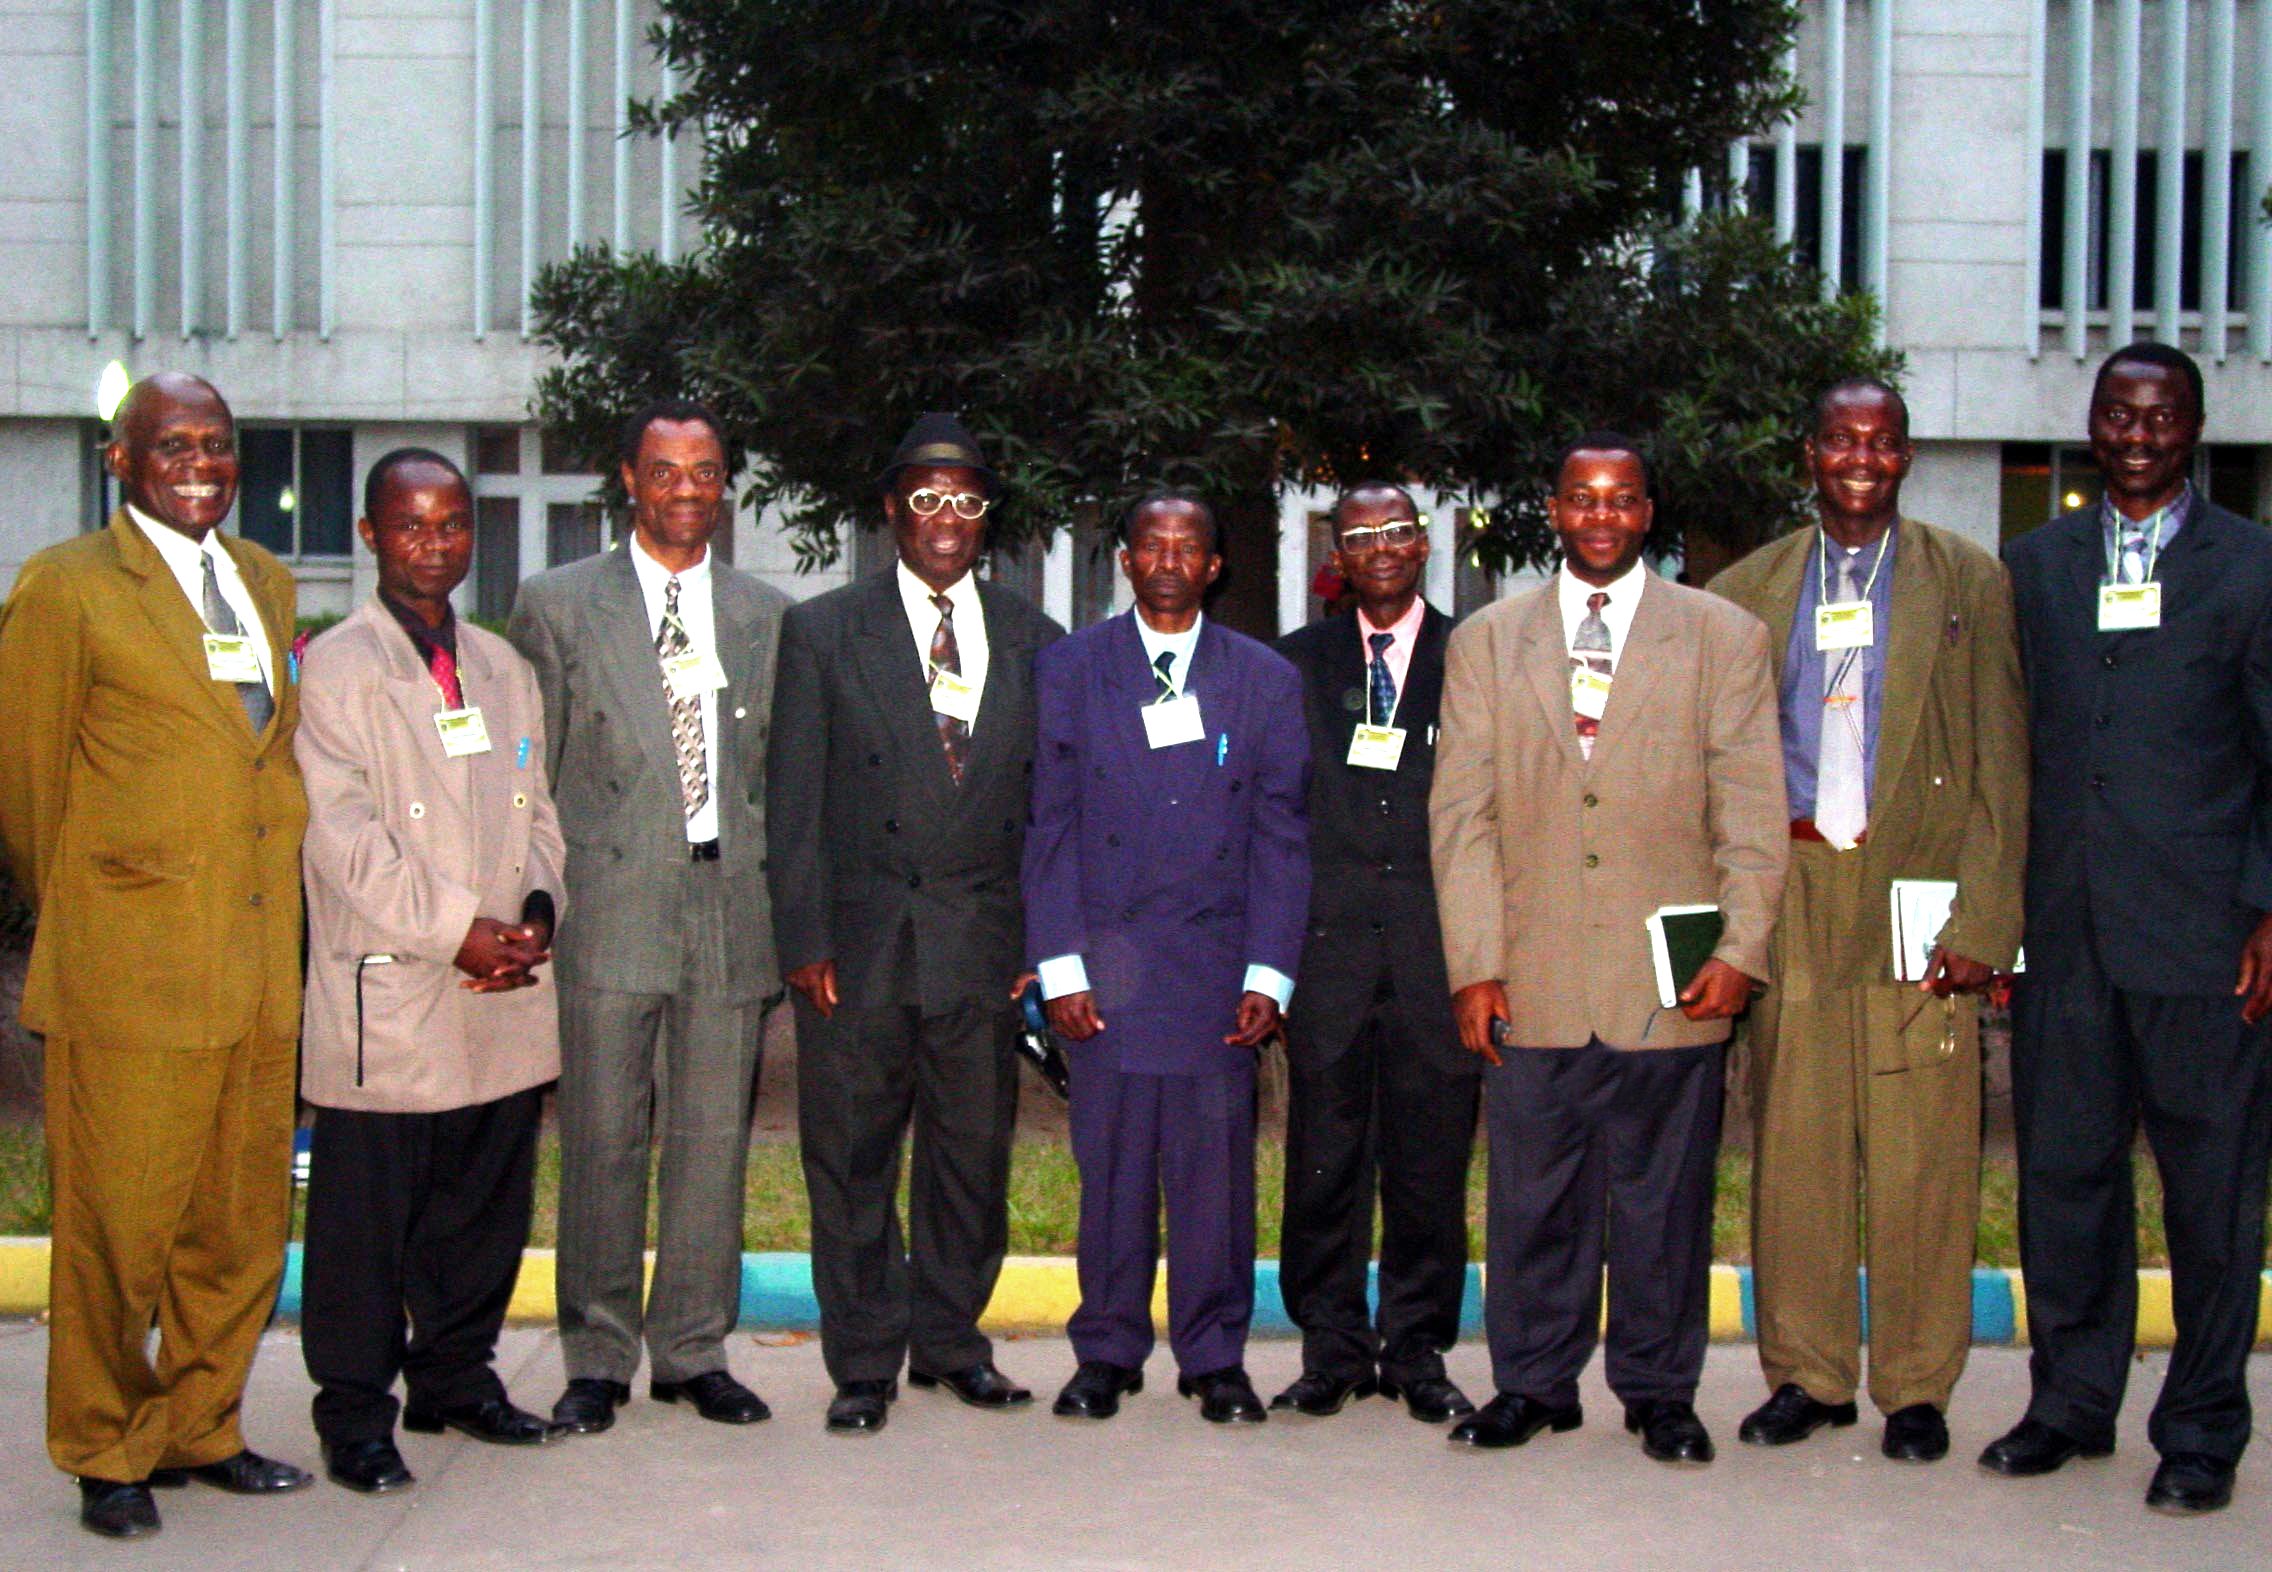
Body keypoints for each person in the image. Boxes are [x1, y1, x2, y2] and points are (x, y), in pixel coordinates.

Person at [1429, 432, 1786, 1466]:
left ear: (1645, 513)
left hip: (1668, 979)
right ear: (1553, 509)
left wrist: (1742, 946)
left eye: (1618, 500)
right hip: (1530, 974)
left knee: (1661, 1204)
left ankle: (1658, 1390)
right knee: (1532, 1198)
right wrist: (1475, 964)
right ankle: (1532, 1383)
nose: (1598, 516)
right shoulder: (1492, 640)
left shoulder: (1721, 636)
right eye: (1579, 498)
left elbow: (1753, 813)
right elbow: (1462, 818)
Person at [0, 372, 312, 1538]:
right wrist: (106, 905)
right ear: (121, 461)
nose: (201, 464)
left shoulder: (263, 581)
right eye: (173, 444)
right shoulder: (68, 588)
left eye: (219, 445)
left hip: (254, 971)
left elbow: (260, 758)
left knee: (236, 1227)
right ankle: (103, 1446)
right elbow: (29, 792)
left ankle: (201, 1424)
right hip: (132, 973)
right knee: (115, 1230)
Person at [1711, 380, 2027, 1465]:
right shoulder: (1746, 589)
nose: (1861, 457)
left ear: (1904, 457)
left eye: (1882, 442)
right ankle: (1808, 1374)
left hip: (1918, 893)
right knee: (1793, 1143)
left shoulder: (1967, 581)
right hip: (1792, 886)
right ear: (1810, 453)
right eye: (1841, 440)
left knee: (1922, 1151)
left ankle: (1915, 1385)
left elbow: (2000, 762)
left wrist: (1986, 920)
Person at [1985, 342, 2272, 1516]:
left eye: (2161, 414)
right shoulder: (2035, 566)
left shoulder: (2252, 567)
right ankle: (2070, 1401)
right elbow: (2014, 754)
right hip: (2062, 934)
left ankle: (2201, 1428)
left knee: (2211, 1195)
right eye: (2118, 413)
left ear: (2195, 426)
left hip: (2206, 939)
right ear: (2091, 426)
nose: (2139, 431)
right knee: (2062, 1177)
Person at [766, 413, 1063, 1435]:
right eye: (927, 497)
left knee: (968, 1157)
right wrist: (802, 941)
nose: (947, 518)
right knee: (849, 1157)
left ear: (987, 518)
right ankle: (861, 1359)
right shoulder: (820, 630)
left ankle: (948, 1342)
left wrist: (1042, 946)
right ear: (892, 509)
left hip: (980, 944)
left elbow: (1046, 812)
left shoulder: (1034, 638)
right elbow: (792, 796)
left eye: (966, 500)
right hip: (859, 946)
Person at [507, 398, 789, 1434]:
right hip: (610, 906)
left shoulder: (764, 613)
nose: (685, 490)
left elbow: (771, 778)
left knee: (712, 1141)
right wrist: (532, 900)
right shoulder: (559, 604)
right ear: (628, 478)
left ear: (726, 486)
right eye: (664, 470)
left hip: (731, 908)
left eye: (705, 472)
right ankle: (595, 1354)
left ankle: (691, 1352)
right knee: (603, 1139)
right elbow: (528, 775)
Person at [295, 449, 569, 1494]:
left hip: (503, 983)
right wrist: (457, 929)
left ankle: (455, 1378)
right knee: (368, 1224)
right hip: (399, 983)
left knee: (482, 1207)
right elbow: (345, 838)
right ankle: (355, 1413)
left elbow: (537, 812)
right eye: (410, 525)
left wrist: (537, 915)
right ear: (369, 535)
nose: (434, 543)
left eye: (452, 524)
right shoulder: (338, 667)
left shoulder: (503, 667)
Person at [1025, 490, 1311, 1426]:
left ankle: (1214, 1356)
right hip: (1105, 971)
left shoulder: (1262, 679)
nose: (1169, 560)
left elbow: (1280, 837)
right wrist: (1061, 969)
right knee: (1108, 1172)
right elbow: (1051, 828)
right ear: (1125, 559)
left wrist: (1269, 976)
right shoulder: (1069, 669)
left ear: (1215, 565)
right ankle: (1106, 1349)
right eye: (1152, 544)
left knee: (1212, 1178)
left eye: (1189, 547)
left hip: (1214, 971)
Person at [1270, 483, 1479, 1424]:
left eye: (1398, 531)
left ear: (1424, 545)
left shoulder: (1473, 655)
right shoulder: (1294, 665)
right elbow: (1272, 818)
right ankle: (1331, 1345)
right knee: (1324, 1156)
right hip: (1326, 959)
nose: (1383, 548)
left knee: (1431, 1159)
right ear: (1337, 555)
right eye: (1362, 536)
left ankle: (1419, 1346)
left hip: (1442, 955)